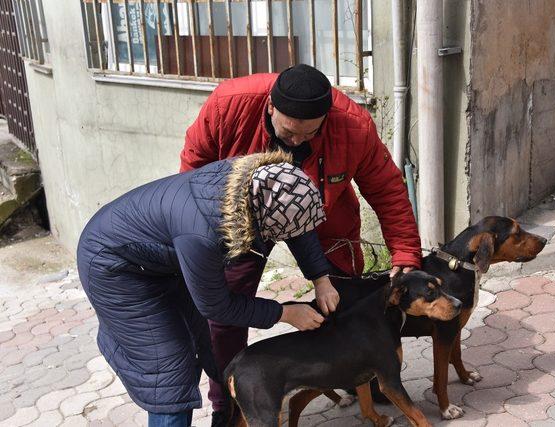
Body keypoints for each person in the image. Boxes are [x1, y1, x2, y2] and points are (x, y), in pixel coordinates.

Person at [181, 63, 422, 424]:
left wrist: (405, 250)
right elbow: (192, 174)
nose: (297, 142)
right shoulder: (227, 105)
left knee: (347, 295)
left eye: (309, 134)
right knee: (226, 307)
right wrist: (206, 240)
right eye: (289, 133)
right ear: (270, 108)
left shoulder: (352, 126)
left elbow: (386, 188)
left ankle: (365, 370)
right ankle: (227, 404)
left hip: (322, 213)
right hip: (241, 219)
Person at [77, 151, 331, 427]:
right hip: (114, 269)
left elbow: (295, 215)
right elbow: (217, 306)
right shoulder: (204, 233)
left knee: (204, 342)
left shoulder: (262, 183)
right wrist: (285, 313)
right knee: (169, 371)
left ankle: (228, 415)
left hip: (155, 260)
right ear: (259, 223)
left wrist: (322, 279)